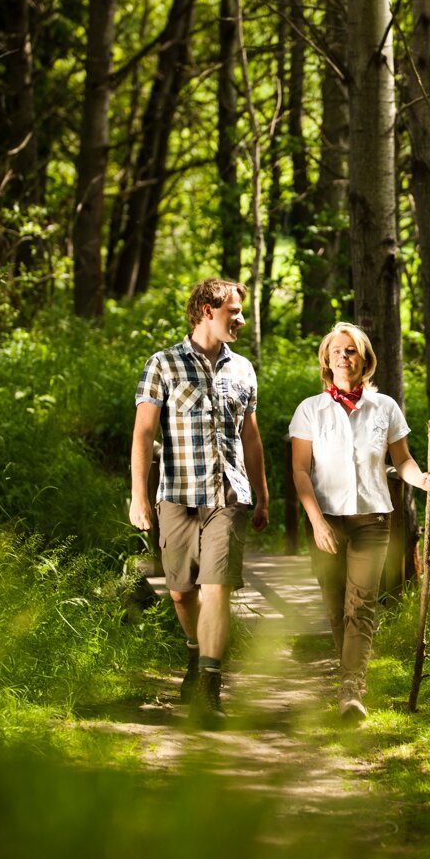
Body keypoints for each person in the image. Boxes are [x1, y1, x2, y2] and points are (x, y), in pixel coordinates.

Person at [128, 278, 269, 719]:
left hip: (229, 493)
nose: (241, 320)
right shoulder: (163, 364)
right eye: (234, 312)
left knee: (217, 588)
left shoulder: (243, 369)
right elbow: (144, 434)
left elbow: (251, 435)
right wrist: (138, 496)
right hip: (177, 494)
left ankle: (210, 685)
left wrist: (262, 495)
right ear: (207, 310)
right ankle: (196, 653)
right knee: (182, 593)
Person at [289, 322, 430, 721]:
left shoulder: (384, 407)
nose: (344, 356)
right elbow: (301, 472)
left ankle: (351, 689)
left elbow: (402, 460)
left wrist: (421, 479)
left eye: (351, 351)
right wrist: (317, 522)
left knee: (363, 605)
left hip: (373, 520)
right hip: (326, 522)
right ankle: (348, 678)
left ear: (364, 359)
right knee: (336, 607)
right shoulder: (310, 410)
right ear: (326, 359)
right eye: (337, 350)